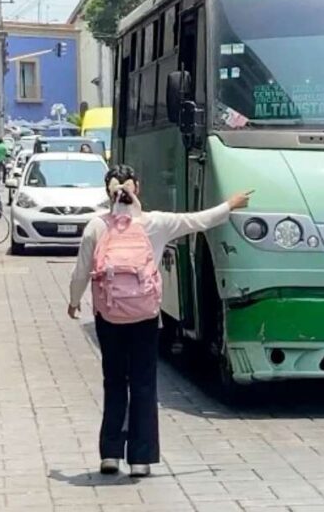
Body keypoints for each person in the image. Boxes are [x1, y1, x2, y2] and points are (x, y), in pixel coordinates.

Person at [67, 165, 251, 478]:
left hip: (109, 315)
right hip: (145, 316)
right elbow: (198, 220)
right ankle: (140, 459)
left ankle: (110, 454)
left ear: (107, 191)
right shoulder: (156, 223)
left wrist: (73, 301)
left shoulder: (96, 226)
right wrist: (231, 204)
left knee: (114, 382)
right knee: (142, 383)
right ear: (136, 187)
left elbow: (81, 270)